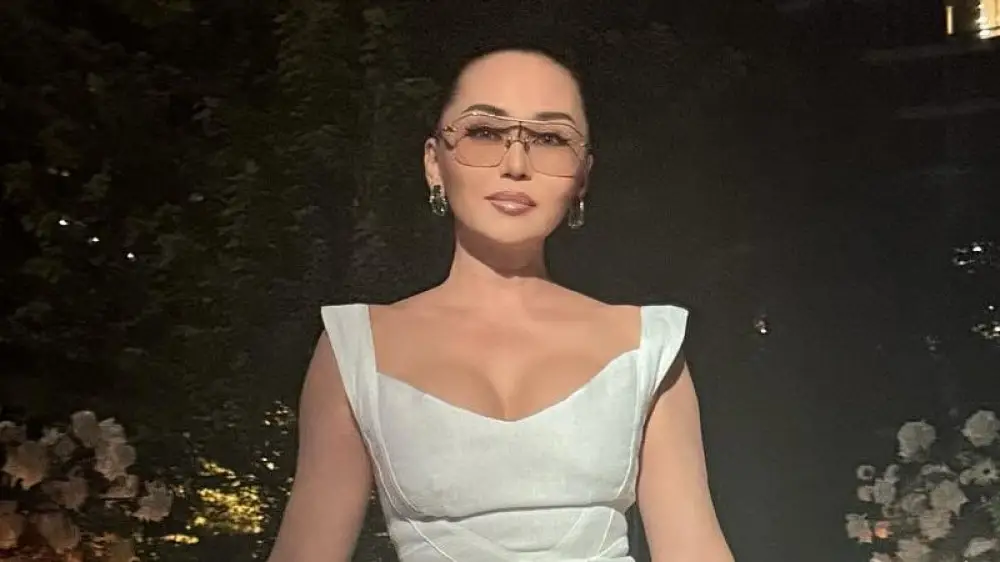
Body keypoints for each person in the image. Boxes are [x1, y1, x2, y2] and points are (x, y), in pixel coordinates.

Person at [266, 46, 735, 562]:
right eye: (485, 132)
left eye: (550, 139)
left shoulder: (647, 346)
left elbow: (694, 548)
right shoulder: (356, 348)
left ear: (582, 175)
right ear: (434, 162)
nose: (516, 165)